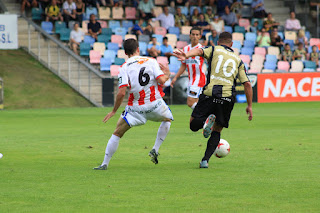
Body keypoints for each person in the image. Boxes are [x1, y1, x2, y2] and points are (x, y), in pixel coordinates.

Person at [173, 32, 253, 168]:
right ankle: (205, 161)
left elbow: (199, 51)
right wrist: (249, 106)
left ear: (218, 42)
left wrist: (186, 55)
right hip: (228, 97)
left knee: (193, 125)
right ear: (231, 44)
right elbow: (247, 84)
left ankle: (205, 121)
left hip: (210, 93)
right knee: (217, 130)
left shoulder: (214, 49)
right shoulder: (238, 60)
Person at [93, 39, 173, 170]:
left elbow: (121, 93)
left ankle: (104, 164)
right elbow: (161, 80)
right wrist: (168, 74)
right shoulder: (151, 61)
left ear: (125, 52)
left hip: (136, 108)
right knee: (168, 119)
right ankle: (155, 149)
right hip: (155, 104)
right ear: (138, 49)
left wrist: (113, 111)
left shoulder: (124, 67)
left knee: (117, 132)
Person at [171, 27, 205, 109]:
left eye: (197, 35)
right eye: (193, 34)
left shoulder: (201, 49)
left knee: (190, 102)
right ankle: (201, 120)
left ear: (200, 36)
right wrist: (175, 77)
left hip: (198, 79)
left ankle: (205, 114)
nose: (195, 36)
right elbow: (183, 65)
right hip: (191, 79)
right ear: (190, 36)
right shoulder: (186, 49)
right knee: (196, 102)